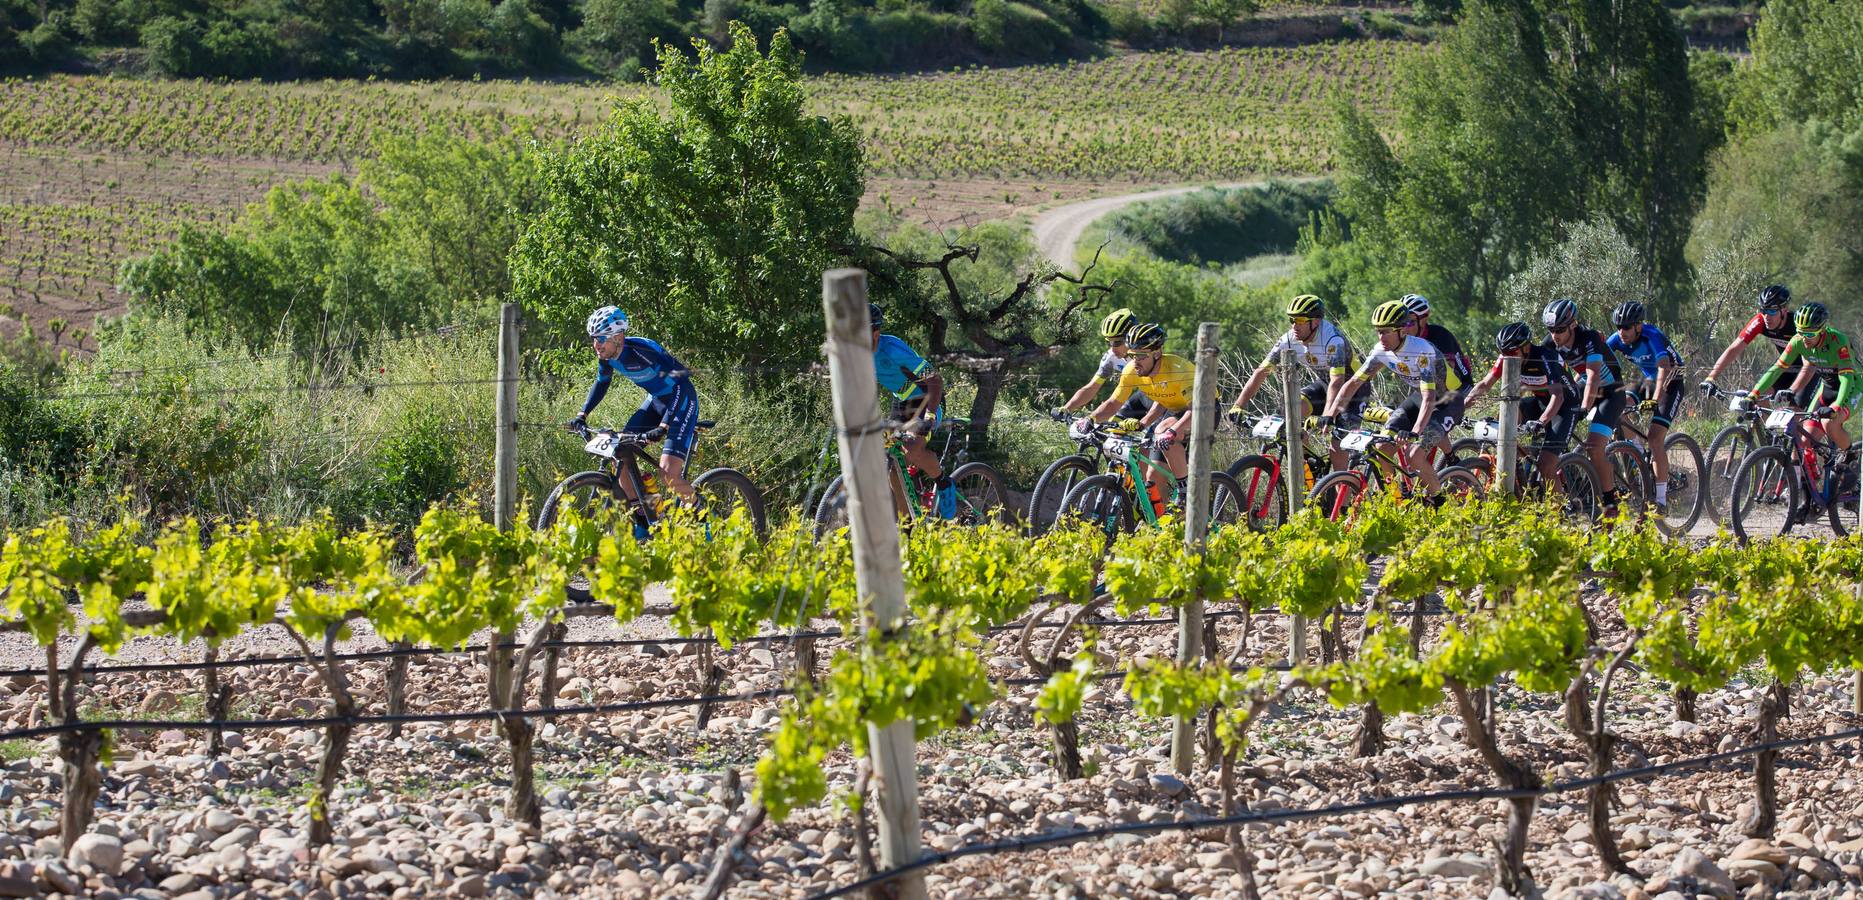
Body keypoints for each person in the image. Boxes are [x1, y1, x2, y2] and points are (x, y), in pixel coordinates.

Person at [566, 306, 701, 537]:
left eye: (600, 339)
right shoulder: (607, 357)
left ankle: (706, 520)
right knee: (622, 455)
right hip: (658, 400)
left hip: (682, 400)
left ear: (618, 337)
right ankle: (649, 521)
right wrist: (582, 415)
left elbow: (681, 381)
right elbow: (601, 384)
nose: (596, 345)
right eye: (593, 339)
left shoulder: (642, 351)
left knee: (668, 475)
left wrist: (664, 426)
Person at [1322, 300, 1455, 499]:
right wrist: (1330, 415)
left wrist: (1414, 432)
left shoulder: (1421, 351)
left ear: (1402, 330)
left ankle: (1441, 502)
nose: (1380, 337)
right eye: (1378, 331)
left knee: (1414, 455)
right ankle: (1396, 500)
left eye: (1385, 331)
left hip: (1447, 400)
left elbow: (1430, 398)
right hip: (1420, 397)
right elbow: (1352, 384)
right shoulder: (1380, 351)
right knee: (1381, 450)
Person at [1225, 293, 1361, 471]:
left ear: (1316, 322)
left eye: (1301, 320)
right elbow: (1261, 371)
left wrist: (1327, 415)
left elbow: (1337, 381)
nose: (1294, 325)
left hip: (1353, 390)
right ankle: (1309, 470)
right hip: (1324, 385)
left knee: (1337, 447)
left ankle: (1341, 491)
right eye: (1292, 320)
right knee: (1289, 419)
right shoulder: (1289, 339)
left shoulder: (1332, 340)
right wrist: (1238, 405)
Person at [1082, 323, 1196, 507]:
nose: (1135, 361)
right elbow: (1113, 403)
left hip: (1202, 410)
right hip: (1174, 410)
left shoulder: (1178, 369)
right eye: (1132, 355)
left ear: (1157, 353)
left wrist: (1172, 432)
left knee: (1162, 429)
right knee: (1152, 476)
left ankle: (1185, 490)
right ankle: (1161, 525)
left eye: (1141, 356)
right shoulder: (1132, 371)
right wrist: (1090, 419)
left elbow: (1195, 410)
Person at [1465, 322, 1580, 490]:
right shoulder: (1507, 357)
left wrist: (1540, 422)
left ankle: (1559, 513)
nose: (1507, 356)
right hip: (1541, 403)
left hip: (1565, 406)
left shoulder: (1545, 357)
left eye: (1511, 352)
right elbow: (1485, 384)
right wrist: (1463, 405)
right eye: (1503, 353)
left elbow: (1558, 396)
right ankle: (1518, 464)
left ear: (1526, 348)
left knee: (1545, 465)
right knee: (1505, 414)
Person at [868, 303, 956, 519]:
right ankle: (908, 526)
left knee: (913, 447)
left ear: (876, 333)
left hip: (927, 398)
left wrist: (930, 416)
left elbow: (935, 380)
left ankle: (944, 483)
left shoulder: (894, 351)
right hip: (903, 401)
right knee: (892, 467)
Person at [1543, 298, 1628, 518]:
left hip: (1611, 391)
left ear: (1572, 324)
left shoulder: (1588, 338)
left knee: (1594, 446)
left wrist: (1584, 407)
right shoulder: (1551, 343)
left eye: (1560, 329)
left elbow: (1593, 376)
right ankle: (1574, 476)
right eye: (1551, 329)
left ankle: (1610, 502)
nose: (1555, 335)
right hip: (1585, 385)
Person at [1748, 302, 1859, 458]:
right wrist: (1754, 394)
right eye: (1800, 332)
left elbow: (1846, 377)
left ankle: (1851, 456)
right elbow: (1777, 369)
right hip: (1827, 387)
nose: (1804, 338)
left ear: (1821, 330)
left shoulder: (1838, 340)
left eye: (1809, 334)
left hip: (1853, 386)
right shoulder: (1798, 340)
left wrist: (1837, 406)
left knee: (1829, 423)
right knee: (1805, 440)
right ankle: (1808, 480)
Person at [1606, 300, 1684, 509]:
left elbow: (1663, 370)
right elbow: (1597, 362)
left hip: (1671, 378)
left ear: (1639, 325)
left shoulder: (1652, 335)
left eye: (1627, 327)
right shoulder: (1617, 339)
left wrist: (1653, 401)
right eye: (1619, 327)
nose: (1622, 332)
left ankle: (1660, 501)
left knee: (1655, 437)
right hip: (1649, 379)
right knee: (1619, 410)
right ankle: (1638, 452)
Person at [1701, 285, 1823, 409]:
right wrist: (1711, 378)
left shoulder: (1797, 326)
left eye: (1771, 311)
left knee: (1793, 415)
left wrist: (1792, 390)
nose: (1766, 316)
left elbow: (1809, 365)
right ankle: (1765, 429)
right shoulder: (1760, 321)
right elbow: (1734, 349)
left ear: (1784, 309)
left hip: (1810, 369)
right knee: (1758, 397)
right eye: (1763, 310)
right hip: (1786, 367)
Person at [1400, 293, 1473, 464]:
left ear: (1423, 320)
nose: (1404, 327)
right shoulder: (1407, 340)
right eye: (1401, 323)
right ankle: (1448, 458)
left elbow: (1444, 378)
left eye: (1409, 322)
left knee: (1431, 417)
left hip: (1457, 386)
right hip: (1432, 387)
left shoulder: (1440, 336)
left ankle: (1451, 459)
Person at [1055, 308, 1152, 422]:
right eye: (1109, 342)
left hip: (1166, 399)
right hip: (1143, 397)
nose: (1112, 348)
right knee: (1115, 426)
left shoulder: (1148, 352)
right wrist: (1067, 408)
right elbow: (1092, 387)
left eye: (1117, 342)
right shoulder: (1111, 357)